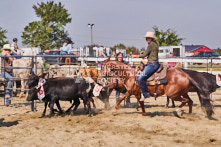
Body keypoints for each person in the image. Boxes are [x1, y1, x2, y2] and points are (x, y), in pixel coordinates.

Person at [133, 32, 160, 100]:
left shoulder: (150, 45)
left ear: (151, 38)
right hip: (153, 63)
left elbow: (144, 54)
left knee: (140, 78)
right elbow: (152, 54)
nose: (147, 39)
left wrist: (136, 56)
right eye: (146, 38)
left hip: (152, 64)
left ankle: (146, 94)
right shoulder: (154, 44)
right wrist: (148, 57)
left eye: (148, 38)